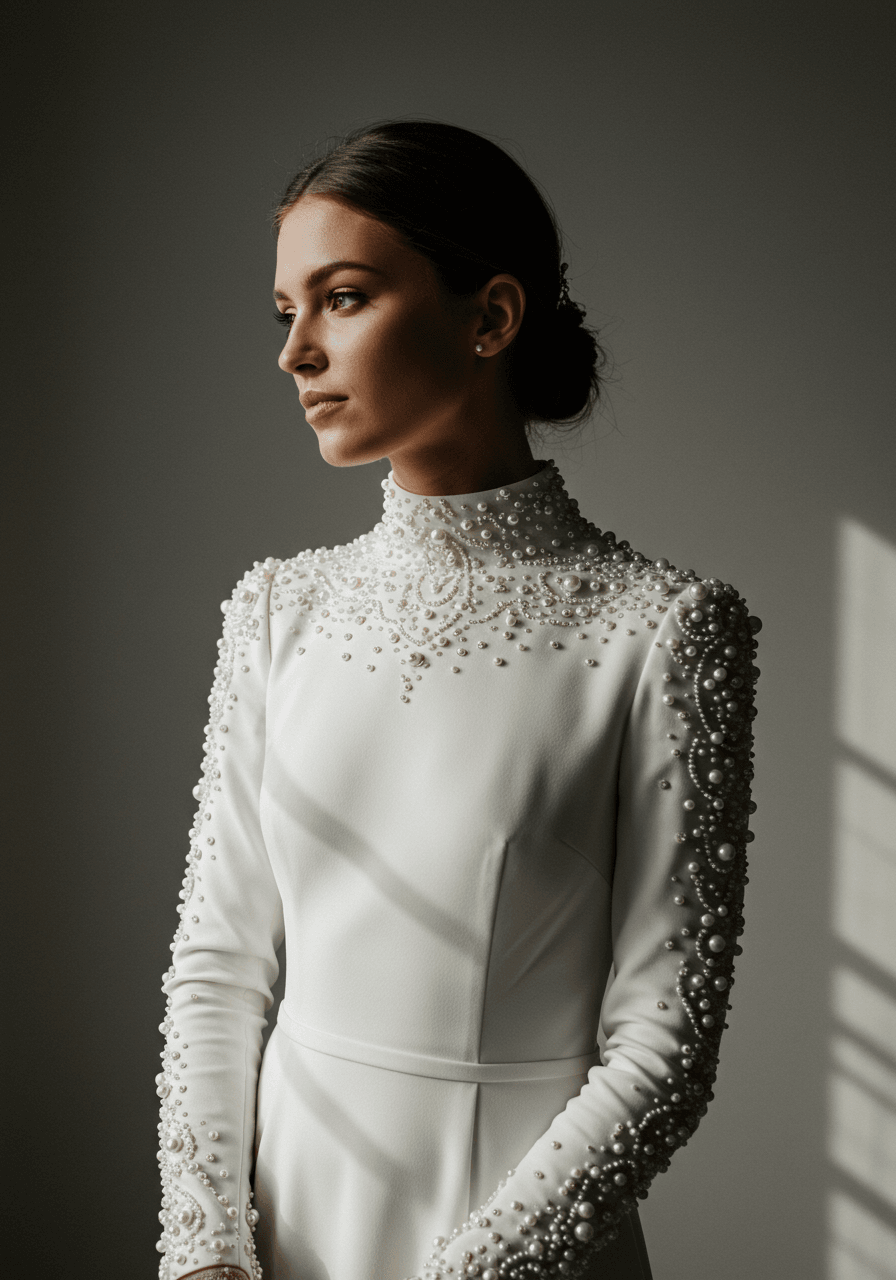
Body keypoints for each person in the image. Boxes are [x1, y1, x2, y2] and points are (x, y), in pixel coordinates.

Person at [154, 120, 760, 1280]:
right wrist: (205, 1248)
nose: (295, 353)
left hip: (510, 1236)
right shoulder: (276, 608)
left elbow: (662, 1043)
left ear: (488, 317)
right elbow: (219, 962)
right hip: (279, 1221)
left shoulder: (663, 628)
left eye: (341, 298)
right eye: (285, 311)